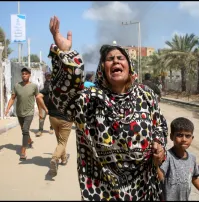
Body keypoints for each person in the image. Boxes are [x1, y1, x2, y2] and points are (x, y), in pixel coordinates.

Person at [44, 16, 167, 200]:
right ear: (103, 68)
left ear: (129, 66)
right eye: (110, 59)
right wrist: (66, 52)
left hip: (144, 188)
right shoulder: (90, 99)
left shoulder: (146, 95)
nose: (116, 61)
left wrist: (159, 145)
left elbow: (159, 125)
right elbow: (64, 95)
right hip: (104, 191)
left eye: (120, 58)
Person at [158, 117, 199, 201]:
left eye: (187, 136)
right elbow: (160, 177)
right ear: (172, 137)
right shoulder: (167, 156)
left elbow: (194, 178)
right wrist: (156, 162)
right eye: (179, 135)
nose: (184, 139)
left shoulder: (192, 158)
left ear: (192, 138)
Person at [36, 65, 74, 177]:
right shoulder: (71, 87)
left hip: (53, 117)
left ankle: (64, 158)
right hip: (66, 118)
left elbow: (38, 97)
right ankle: (54, 158)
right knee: (62, 141)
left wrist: (46, 109)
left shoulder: (51, 85)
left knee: (59, 140)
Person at [5, 67, 45, 160]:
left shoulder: (34, 86)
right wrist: (7, 108)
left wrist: (40, 112)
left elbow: (38, 99)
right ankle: (29, 141)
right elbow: (12, 98)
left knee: (25, 130)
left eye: (26, 74)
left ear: (29, 75)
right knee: (24, 129)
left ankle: (23, 151)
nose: (24, 75)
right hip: (19, 112)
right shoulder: (17, 86)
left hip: (29, 112)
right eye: (23, 74)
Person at [36, 72, 54, 137]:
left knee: (52, 118)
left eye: (50, 76)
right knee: (41, 117)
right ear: (45, 76)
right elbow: (38, 95)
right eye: (47, 76)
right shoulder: (42, 84)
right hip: (43, 104)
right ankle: (40, 130)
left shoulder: (53, 83)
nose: (49, 77)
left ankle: (51, 128)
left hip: (52, 105)